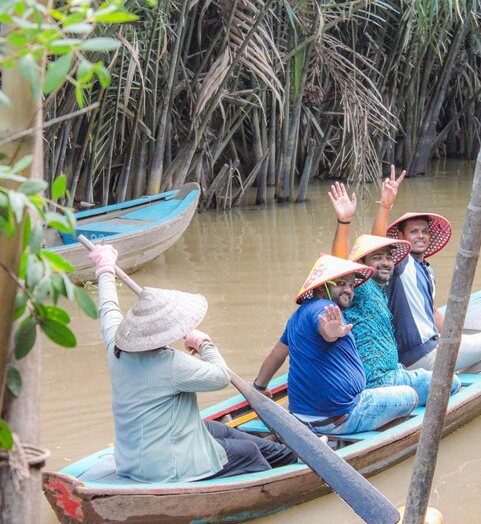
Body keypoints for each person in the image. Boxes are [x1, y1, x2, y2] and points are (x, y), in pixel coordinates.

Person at [88, 244, 297, 483]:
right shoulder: (171, 364)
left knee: (216, 429)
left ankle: (287, 455)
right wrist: (204, 343)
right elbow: (220, 376)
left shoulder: (116, 349)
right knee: (247, 453)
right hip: (168, 467)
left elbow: (108, 309)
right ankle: (274, 482)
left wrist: (104, 268)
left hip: (131, 460)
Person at [253, 254, 418, 435]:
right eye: (340, 284)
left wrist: (259, 386)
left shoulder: (297, 316)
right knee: (411, 395)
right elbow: (324, 327)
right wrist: (330, 332)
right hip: (342, 416)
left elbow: (278, 353)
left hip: (305, 417)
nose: (348, 290)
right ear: (322, 289)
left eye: (351, 285)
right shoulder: (324, 309)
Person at [328, 182, 460, 405]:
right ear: (362, 264)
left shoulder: (383, 290)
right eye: (376, 259)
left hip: (395, 371)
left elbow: (380, 248)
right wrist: (346, 221)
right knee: (450, 383)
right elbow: (341, 262)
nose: (386, 263)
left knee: (450, 382)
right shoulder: (359, 286)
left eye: (389, 258)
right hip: (377, 380)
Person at [384, 212, 481, 372]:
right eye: (413, 232)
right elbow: (381, 244)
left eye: (425, 231)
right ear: (401, 236)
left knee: (469, 342)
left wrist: (460, 338)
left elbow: (433, 313)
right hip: (420, 357)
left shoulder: (427, 270)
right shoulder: (401, 264)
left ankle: (451, 378)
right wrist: (385, 207)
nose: (420, 236)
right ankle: (456, 382)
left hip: (433, 346)